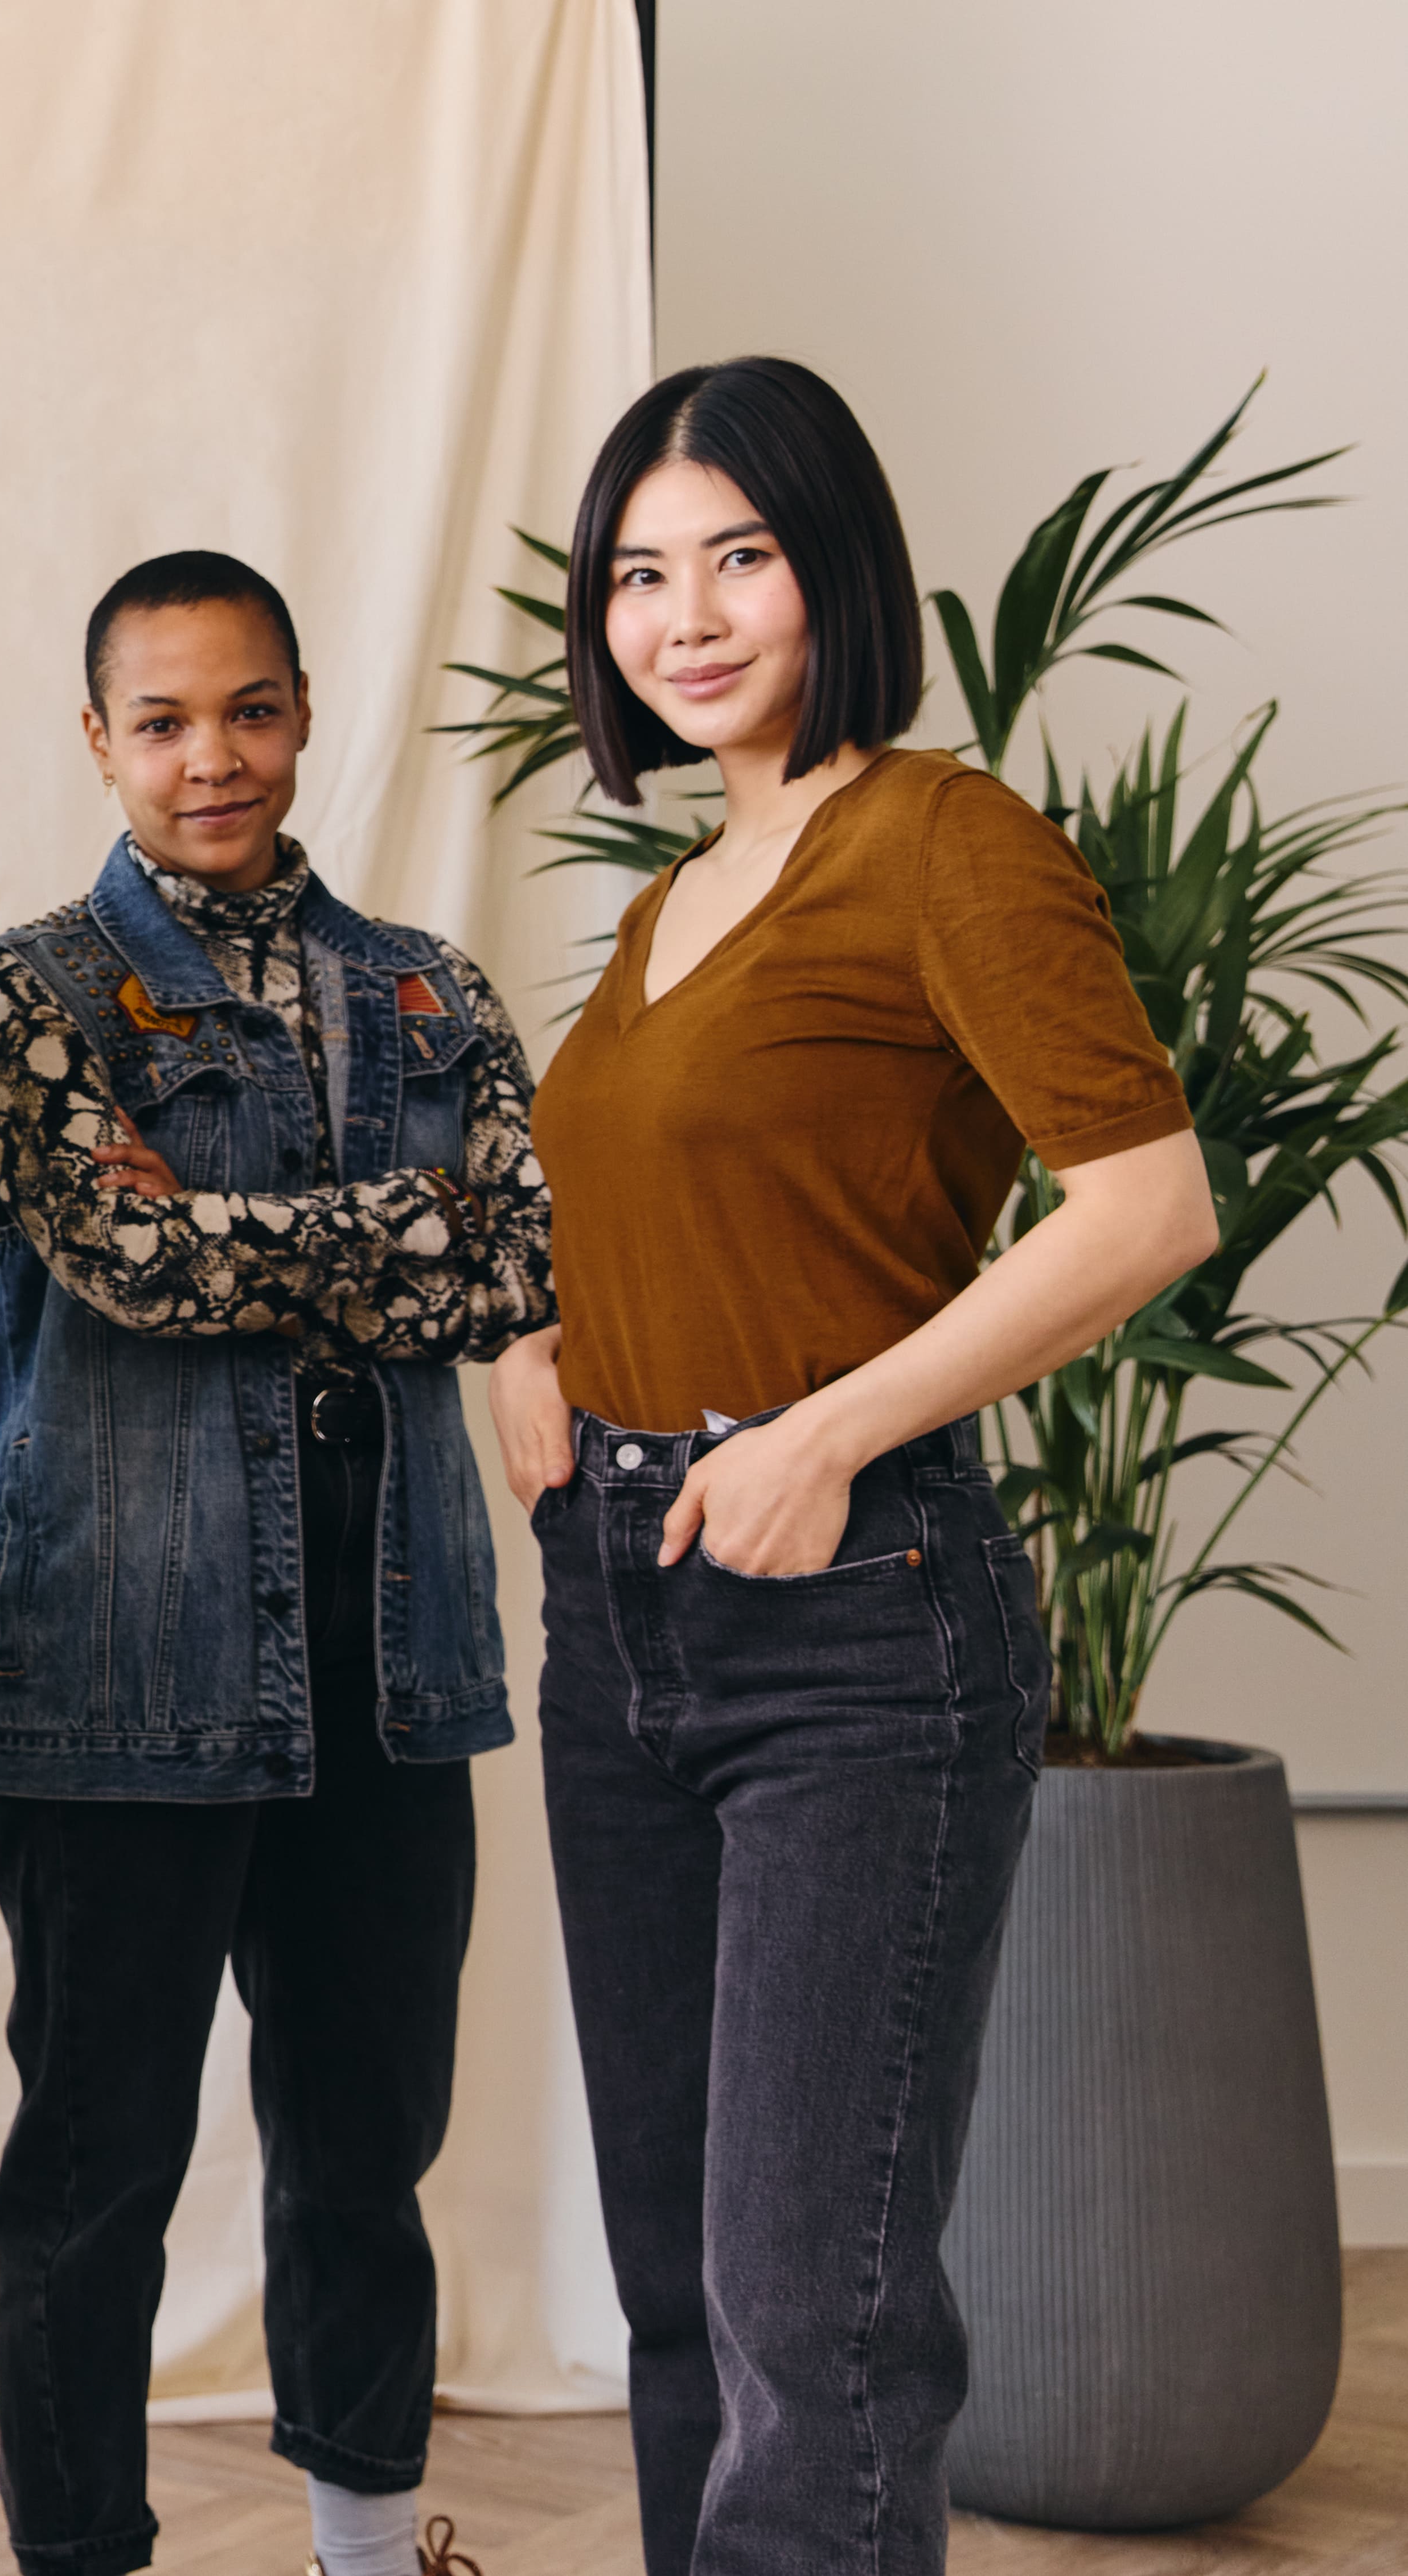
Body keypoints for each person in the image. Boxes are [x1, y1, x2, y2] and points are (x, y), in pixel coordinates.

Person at [503, 357, 1214, 2576]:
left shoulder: (939, 839)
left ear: (833, 566)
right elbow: (644, 1204)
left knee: (813, 2314)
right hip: (615, 1601)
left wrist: (825, 1428)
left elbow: (1142, 1205)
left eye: (735, 554)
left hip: (851, 1617)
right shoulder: (668, 897)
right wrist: (524, 1370)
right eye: (635, 570)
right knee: (677, 2298)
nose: (680, 613)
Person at [0, 553, 548, 2576]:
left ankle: (371, 2554)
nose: (216, 759)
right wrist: (399, 1230)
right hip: (119, 1670)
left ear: (304, 711)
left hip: (396, 1670)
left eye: (252, 711)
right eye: (167, 721)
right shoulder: (18, 997)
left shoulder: (432, 990)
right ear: (99, 739)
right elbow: (126, 1268)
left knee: (367, 2152)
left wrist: (227, 1243)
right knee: (97, 2170)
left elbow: (523, 1258)